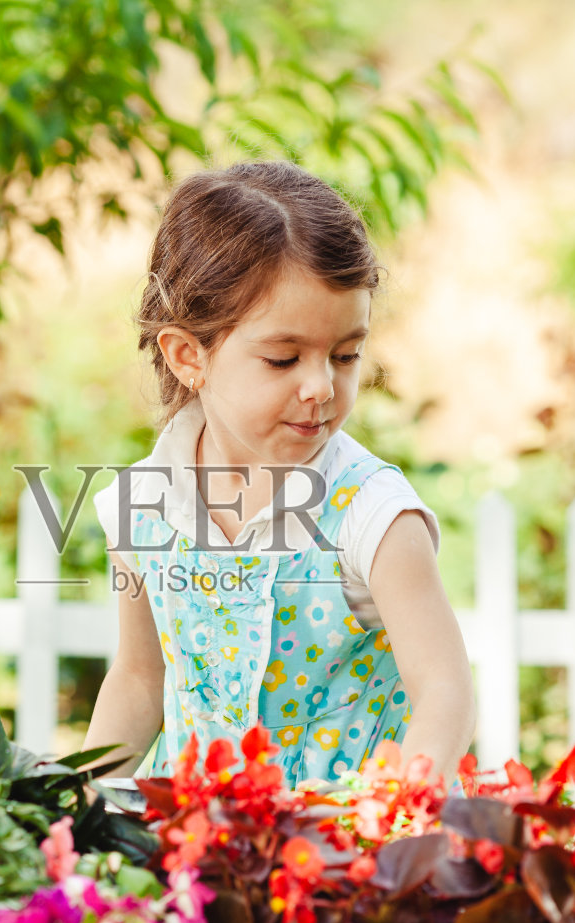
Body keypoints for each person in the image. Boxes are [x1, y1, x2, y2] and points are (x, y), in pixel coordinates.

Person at [84, 160, 476, 788]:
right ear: (188, 356)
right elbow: (139, 679)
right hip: (201, 840)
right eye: (283, 358)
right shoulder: (146, 504)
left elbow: (444, 687)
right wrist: (75, 803)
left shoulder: (370, 513)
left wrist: (398, 807)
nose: (321, 386)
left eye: (345, 354)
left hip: (346, 839)